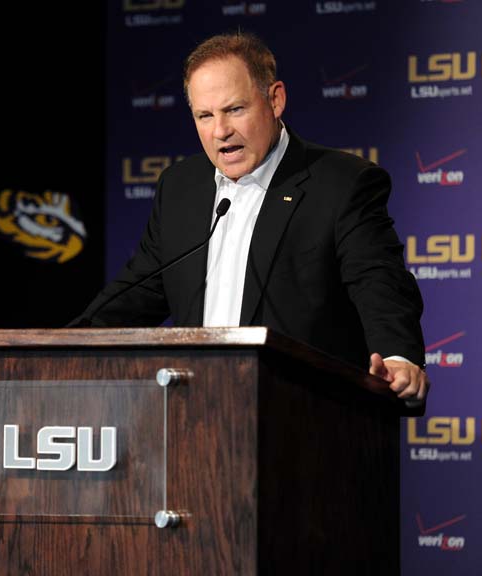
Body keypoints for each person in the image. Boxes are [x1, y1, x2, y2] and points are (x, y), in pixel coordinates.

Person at [71, 32, 429, 402]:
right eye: (204, 116)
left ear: (275, 100)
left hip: (306, 419)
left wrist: (398, 358)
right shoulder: (180, 187)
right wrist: (56, 349)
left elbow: (378, 282)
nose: (220, 131)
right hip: (195, 416)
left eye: (234, 110)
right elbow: (137, 292)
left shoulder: (341, 183)